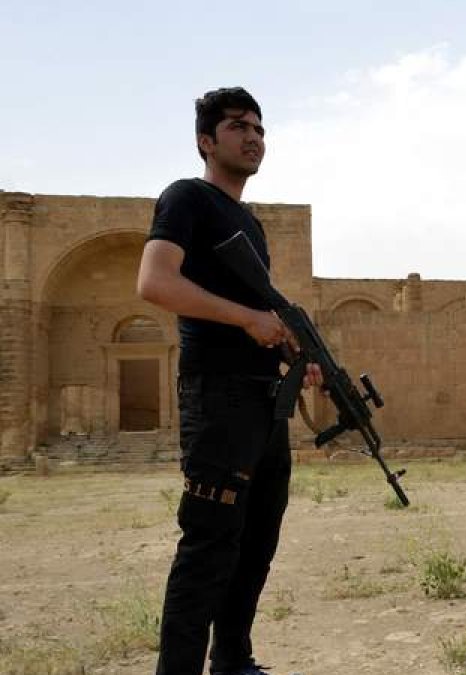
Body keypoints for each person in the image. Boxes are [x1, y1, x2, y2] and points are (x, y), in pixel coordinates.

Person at [137, 86, 320, 675]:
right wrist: (248, 319)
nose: (253, 137)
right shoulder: (187, 198)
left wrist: (296, 353)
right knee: (209, 544)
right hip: (217, 397)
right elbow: (156, 284)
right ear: (206, 141)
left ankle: (233, 659)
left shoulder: (252, 226)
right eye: (239, 126)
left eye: (260, 129)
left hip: (263, 403)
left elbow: (258, 314)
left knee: (257, 540)